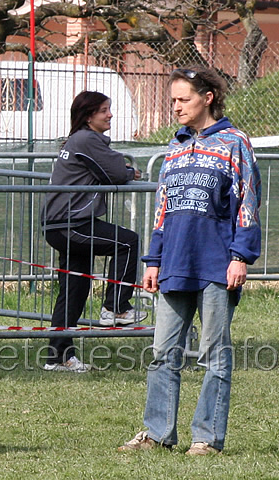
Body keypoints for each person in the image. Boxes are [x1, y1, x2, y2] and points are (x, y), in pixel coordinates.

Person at [119, 66, 261, 455]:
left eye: (183, 99)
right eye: (173, 101)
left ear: (208, 98)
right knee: (163, 353)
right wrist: (153, 260)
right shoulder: (176, 146)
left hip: (217, 264)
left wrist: (240, 256)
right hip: (173, 265)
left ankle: (207, 438)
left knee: (214, 354)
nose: (176, 107)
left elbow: (247, 203)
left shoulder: (235, 142)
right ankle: (157, 433)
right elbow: (162, 209)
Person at [41, 91, 146, 373]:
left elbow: (108, 169)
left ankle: (58, 358)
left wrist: (122, 169)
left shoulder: (81, 140)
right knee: (127, 243)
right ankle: (116, 308)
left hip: (61, 223)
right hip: (71, 224)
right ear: (89, 116)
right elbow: (115, 172)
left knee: (74, 289)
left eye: (109, 109)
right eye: (104, 110)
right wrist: (128, 171)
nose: (110, 115)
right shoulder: (87, 139)